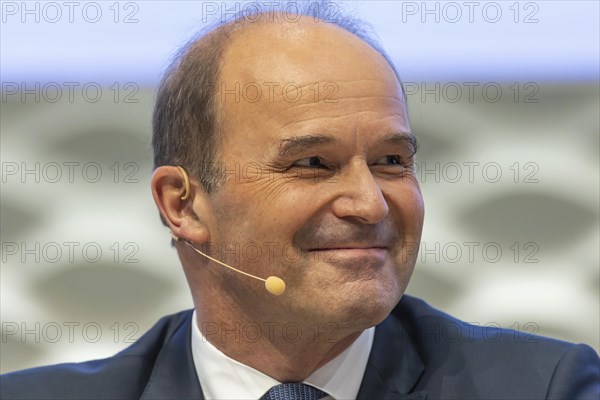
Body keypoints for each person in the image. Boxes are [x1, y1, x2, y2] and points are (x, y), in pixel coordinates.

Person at [2, 2, 599, 399]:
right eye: (313, 164)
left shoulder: (544, 386)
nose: (370, 204)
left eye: (392, 161)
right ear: (183, 206)